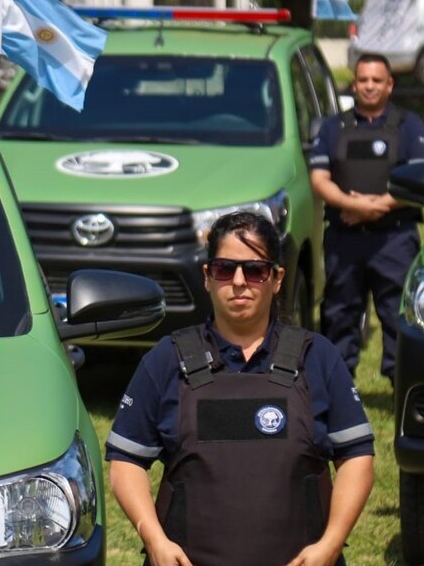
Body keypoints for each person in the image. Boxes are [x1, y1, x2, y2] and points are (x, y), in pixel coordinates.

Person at [107, 211, 374, 566]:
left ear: (277, 278)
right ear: (207, 277)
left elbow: (356, 457)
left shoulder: (317, 357)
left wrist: (331, 543)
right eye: (224, 268)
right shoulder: (167, 359)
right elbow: (126, 462)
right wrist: (153, 538)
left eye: (254, 270)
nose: (238, 282)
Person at [308, 53, 424, 382]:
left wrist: (377, 205)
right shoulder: (333, 127)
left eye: (377, 80)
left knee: (398, 316)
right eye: (363, 80)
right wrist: (357, 207)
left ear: (390, 85)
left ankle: (402, 387)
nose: (369, 86)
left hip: (394, 238)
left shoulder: (410, 126)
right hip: (344, 238)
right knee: (338, 315)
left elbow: (422, 179)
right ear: (354, 84)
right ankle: (337, 389)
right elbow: (319, 179)